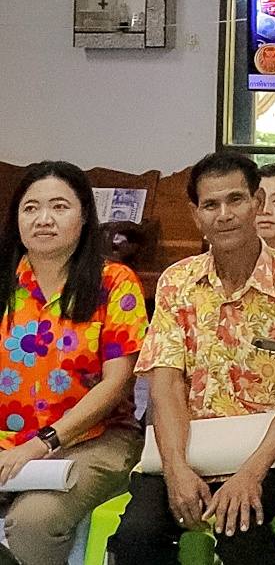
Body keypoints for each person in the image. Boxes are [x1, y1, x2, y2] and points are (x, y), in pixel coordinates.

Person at [117, 152, 275, 565]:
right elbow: (165, 383)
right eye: (210, 205)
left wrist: (251, 473)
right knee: (136, 536)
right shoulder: (177, 282)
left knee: (240, 528)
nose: (224, 215)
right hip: (189, 448)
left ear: (257, 203)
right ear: (196, 214)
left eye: (235, 200)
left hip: (272, 454)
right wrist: (176, 469)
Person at [0, 162, 145, 565]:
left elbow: (116, 383)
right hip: (7, 441)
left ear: (84, 217)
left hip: (94, 440)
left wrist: (42, 443)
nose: (43, 219)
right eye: (31, 208)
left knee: (33, 521)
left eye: (59, 207)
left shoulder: (114, 282)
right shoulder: (5, 282)